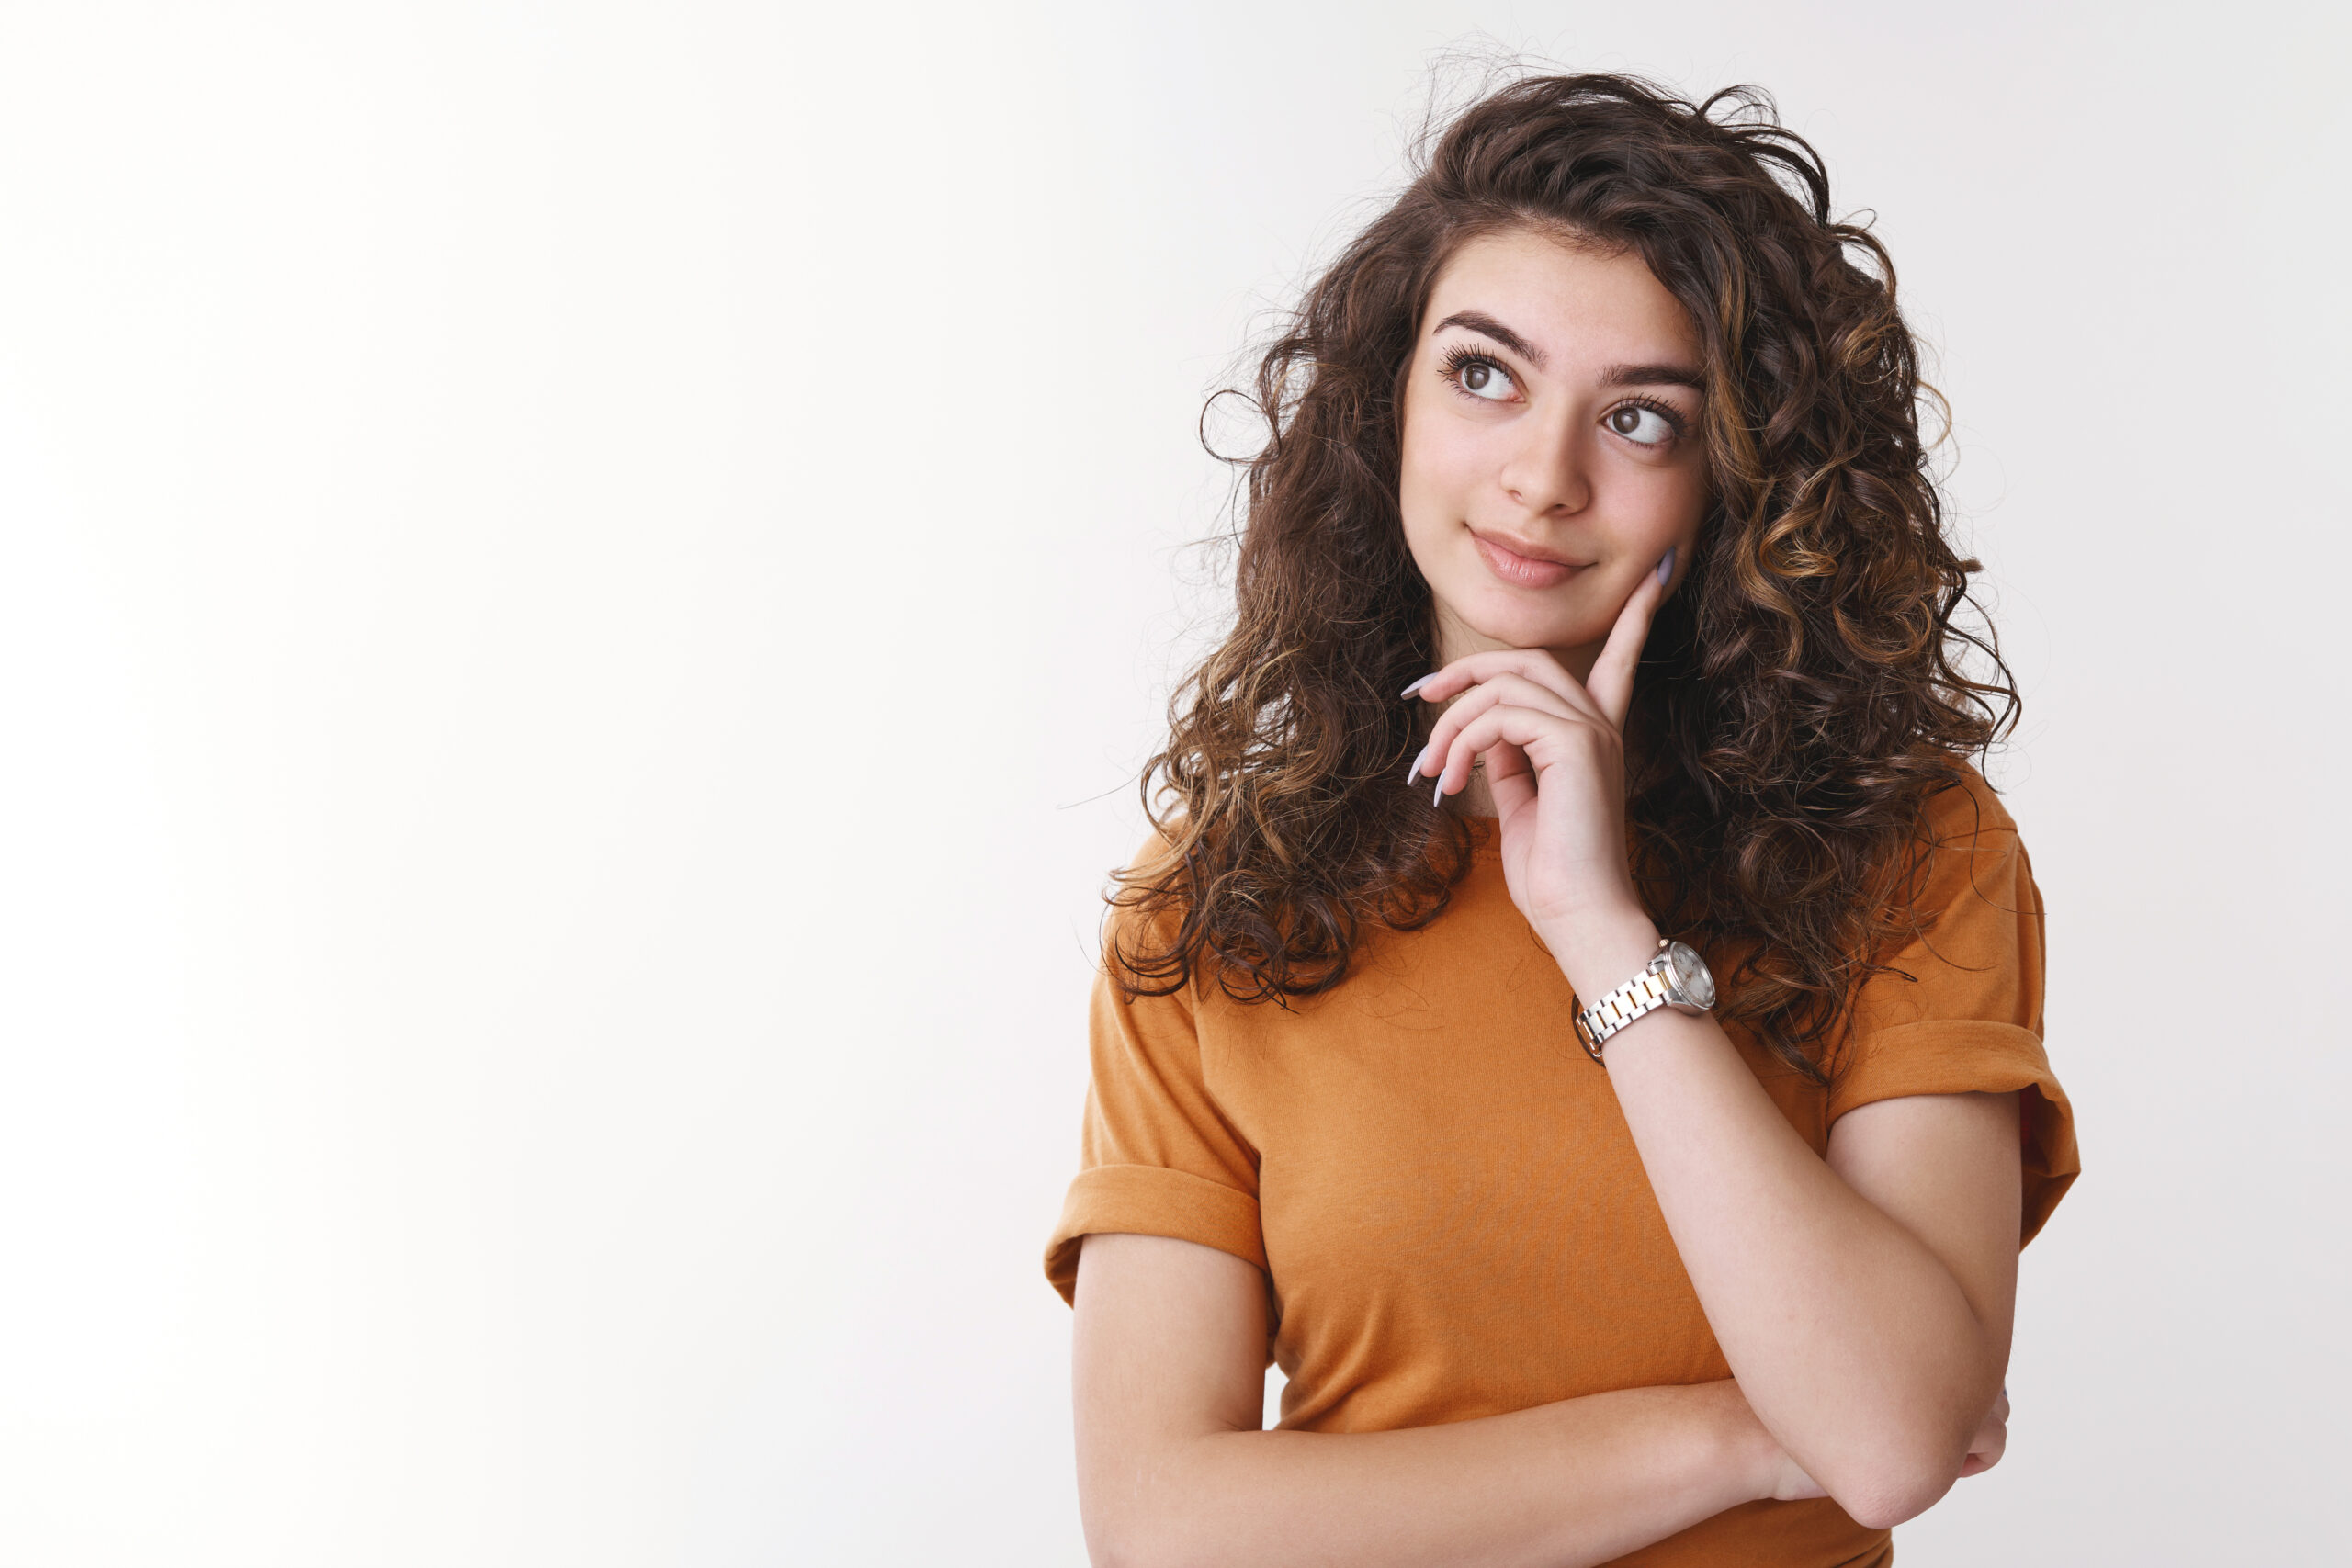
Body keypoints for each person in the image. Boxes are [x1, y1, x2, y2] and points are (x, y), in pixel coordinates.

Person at [1041, 72, 2077, 1568]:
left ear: (1737, 477)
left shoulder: (1907, 847)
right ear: (1383, 400)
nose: (1542, 479)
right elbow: (1161, 1528)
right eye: (1483, 375)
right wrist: (1730, 1437)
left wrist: (1603, 937)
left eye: (1641, 418)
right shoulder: (1215, 905)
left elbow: (1890, 1435)